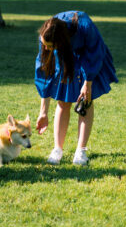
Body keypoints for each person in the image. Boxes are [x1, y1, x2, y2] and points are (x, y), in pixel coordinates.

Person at [35, 11, 118, 166]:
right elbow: (44, 72)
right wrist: (43, 113)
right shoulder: (47, 36)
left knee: (86, 102)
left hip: (88, 57)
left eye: (50, 47)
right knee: (63, 101)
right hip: (65, 56)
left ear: (60, 42)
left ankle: (81, 151)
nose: (46, 49)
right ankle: (57, 149)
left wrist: (87, 83)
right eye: (44, 45)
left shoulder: (85, 26)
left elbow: (94, 54)